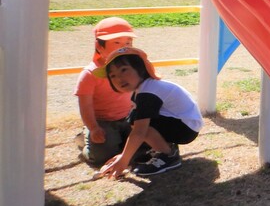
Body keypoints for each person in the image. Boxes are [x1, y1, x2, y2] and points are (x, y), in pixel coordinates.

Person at [99, 46, 203, 178]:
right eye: (112, 75)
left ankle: (168, 156)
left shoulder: (148, 91)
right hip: (184, 124)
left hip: (186, 129)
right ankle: (166, 148)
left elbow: (140, 131)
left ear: (141, 69)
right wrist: (124, 156)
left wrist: (124, 160)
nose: (119, 78)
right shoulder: (144, 89)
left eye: (124, 70)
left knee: (139, 123)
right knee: (134, 118)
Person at [74, 16, 137, 166]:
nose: (124, 47)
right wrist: (94, 127)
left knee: (139, 149)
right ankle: (86, 139)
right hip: (103, 122)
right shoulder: (90, 74)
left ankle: (115, 140)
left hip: (129, 117)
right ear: (100, 47)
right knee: (102, 158)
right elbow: (86, 106)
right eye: (116, 42)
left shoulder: (133, 67)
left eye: (128, 42)